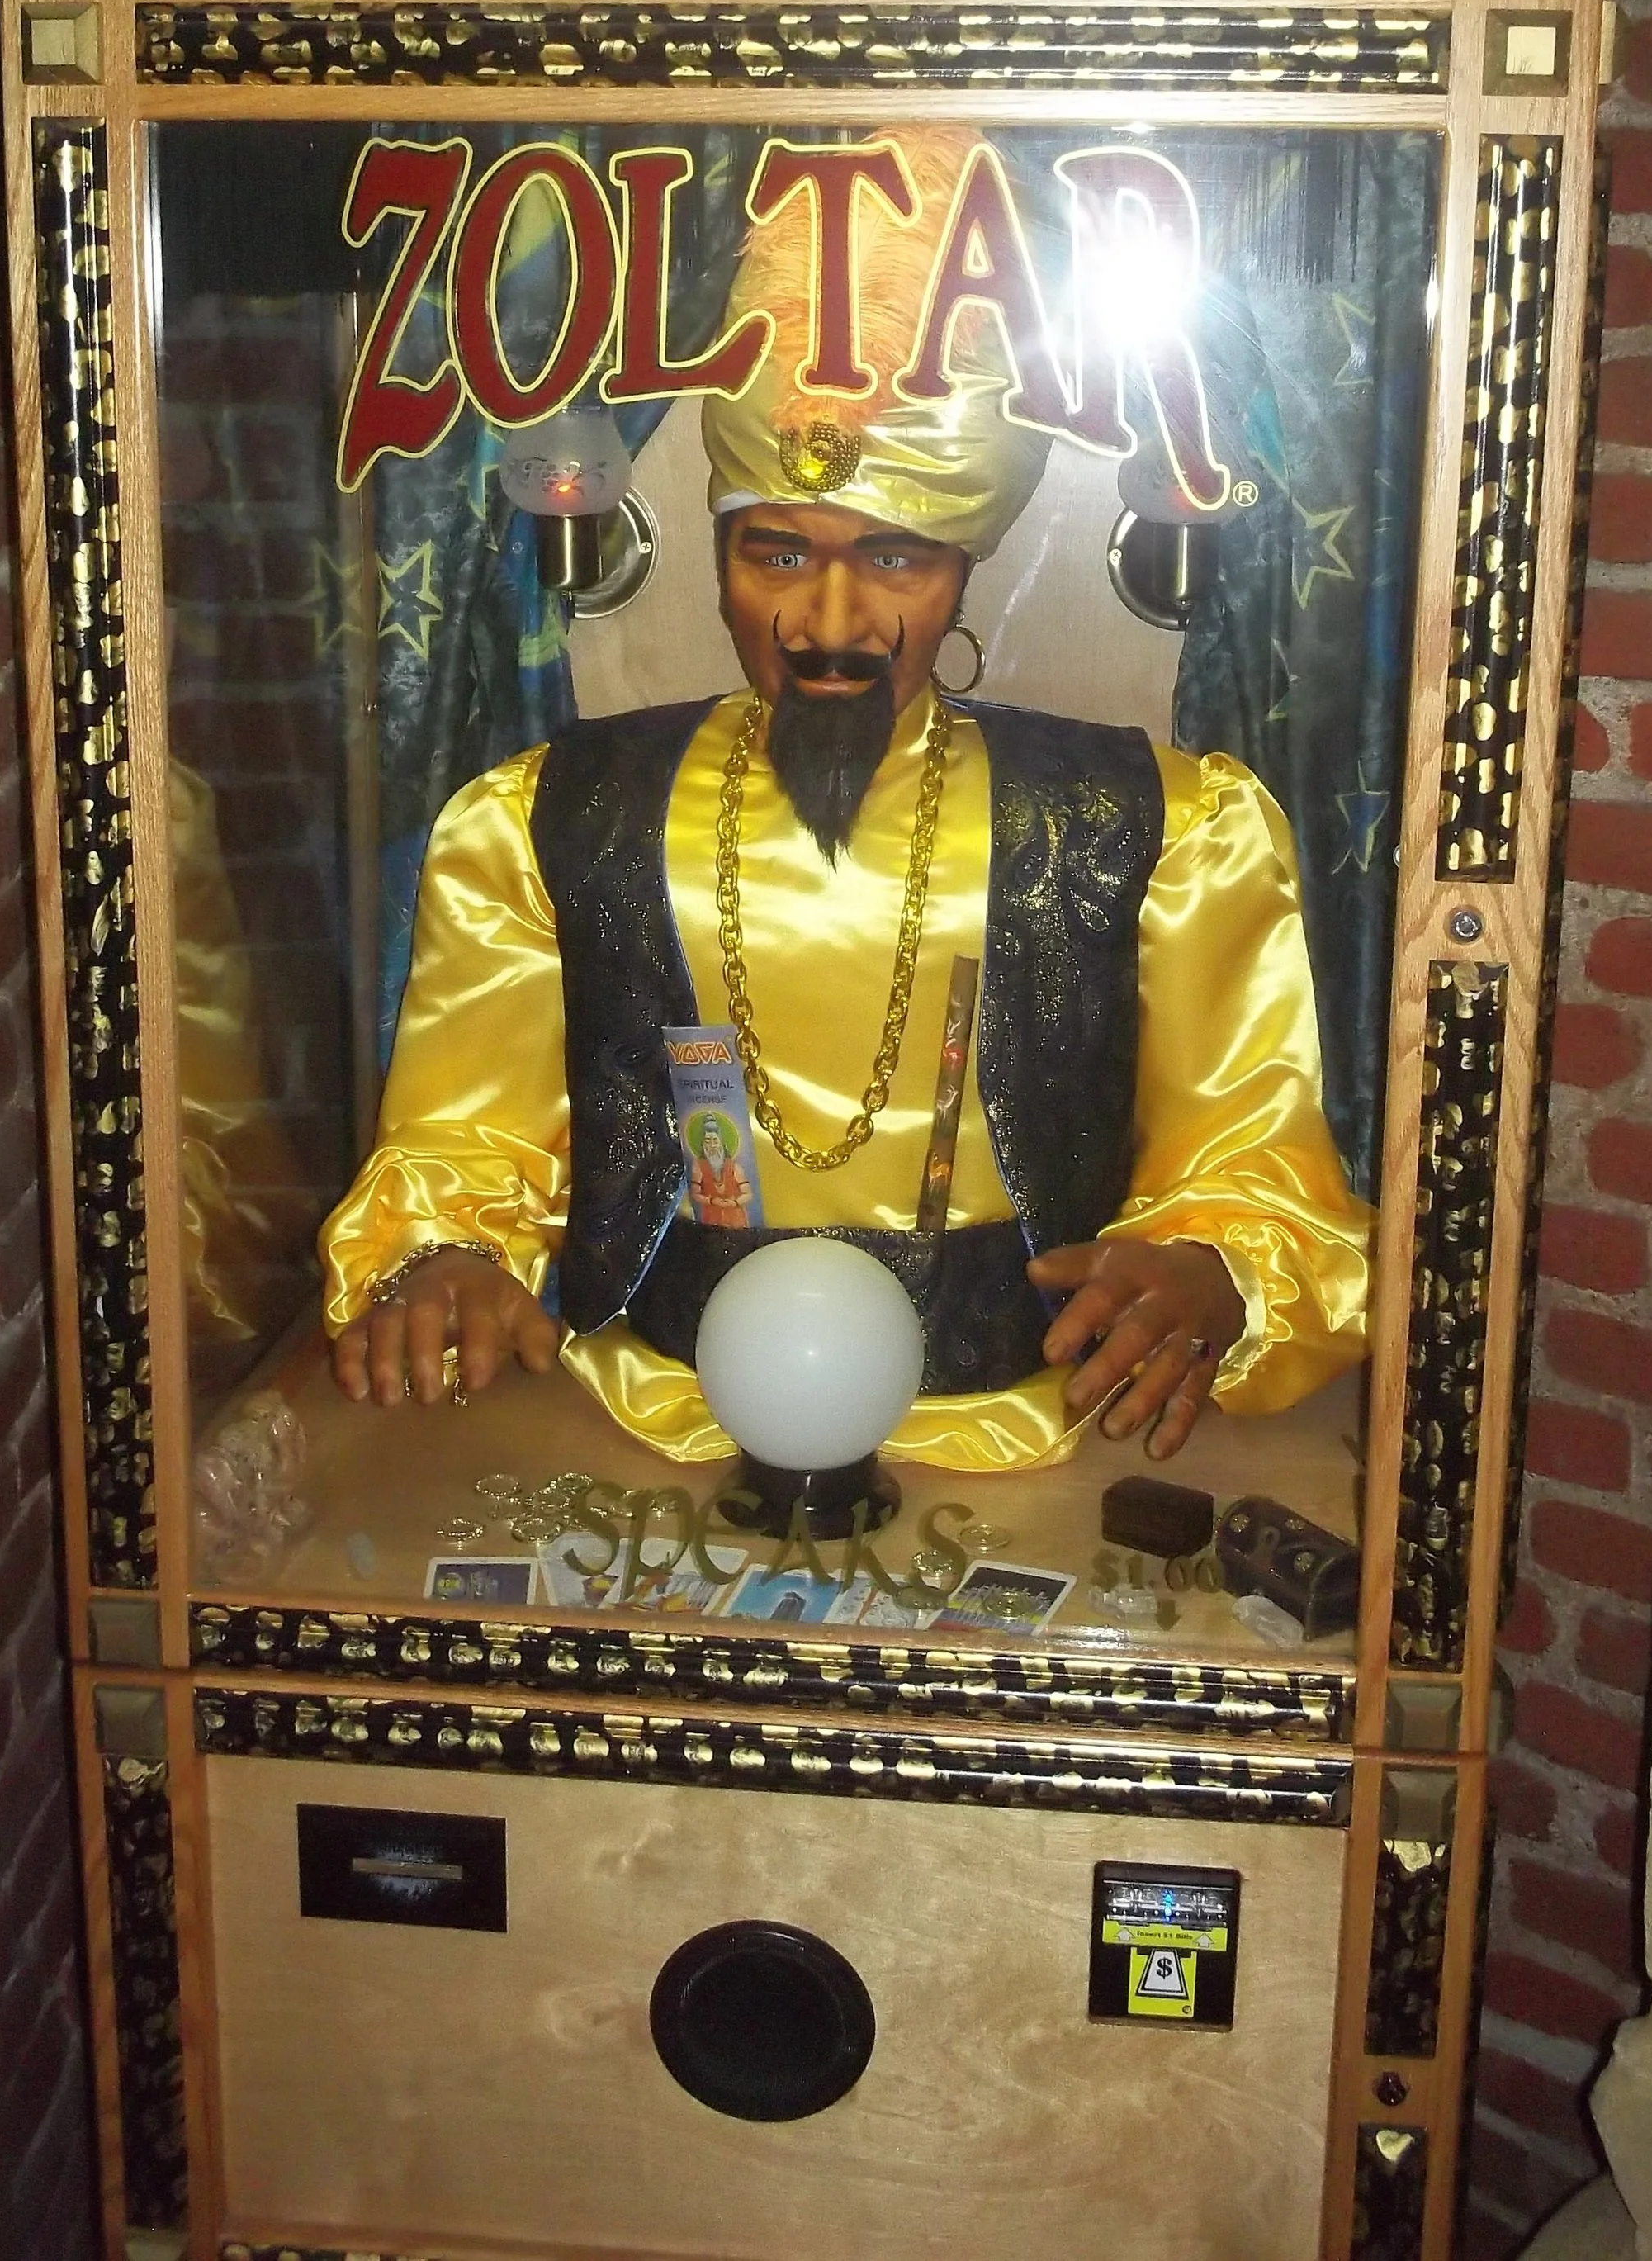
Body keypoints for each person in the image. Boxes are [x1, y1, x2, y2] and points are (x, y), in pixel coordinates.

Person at [321, 125, 1370, 1476]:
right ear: (717, 557)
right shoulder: (542, 821)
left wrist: (1215, 1270)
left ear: (966, 571)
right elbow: (461, 1150)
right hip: (640, 1419)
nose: (829, 623)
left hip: (1041, 1435)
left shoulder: (1163, 830)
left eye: (894, 560)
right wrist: (446, 1259)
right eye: (777, 556)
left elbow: (1253, 1166)